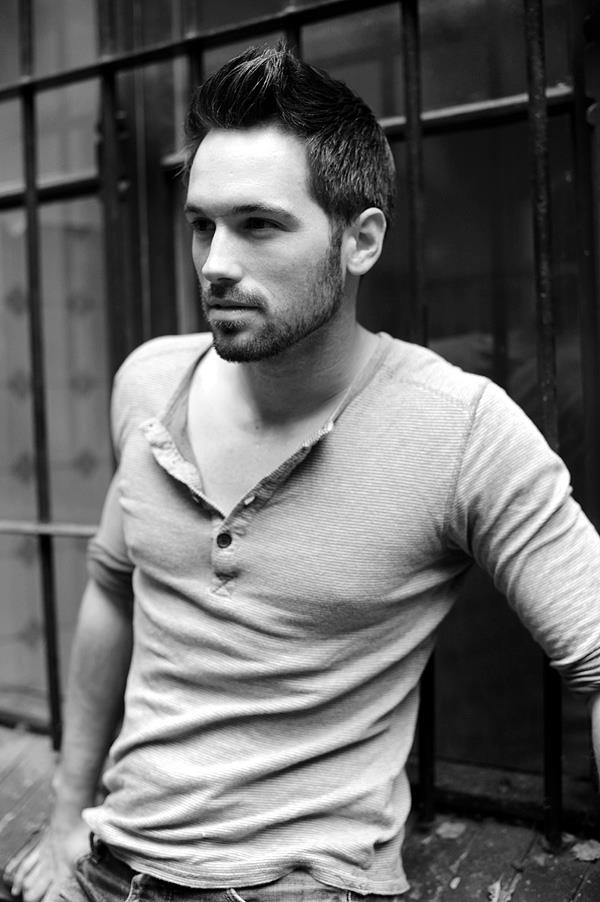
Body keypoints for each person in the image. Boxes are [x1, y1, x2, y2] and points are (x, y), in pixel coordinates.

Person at [9, 43, 600, 902]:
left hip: (299, 884)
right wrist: (67, 817)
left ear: (361, 240)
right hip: (110, 865)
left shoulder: (458, 428)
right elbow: (110, 584)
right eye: (202, 225)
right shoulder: (150, 382)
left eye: (258, 224)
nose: (216, 262)